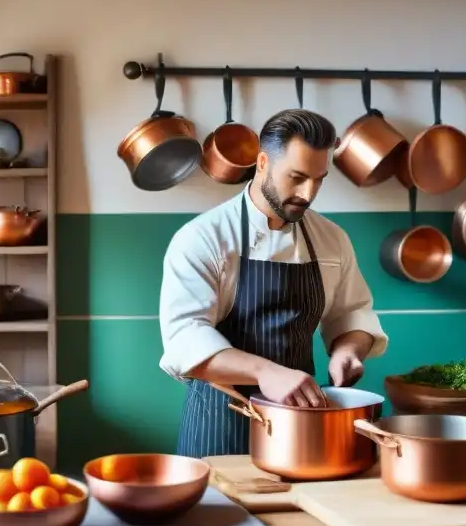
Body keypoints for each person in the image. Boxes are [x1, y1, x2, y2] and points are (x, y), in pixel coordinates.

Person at [158, 108, 388, 458]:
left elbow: (352, 312)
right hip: (220, 426)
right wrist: (265, 372)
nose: (308, 193)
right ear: (263, 162)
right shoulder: (203, 238)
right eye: (296, 177)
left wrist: (348, 349)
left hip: (299, 426)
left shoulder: (332, 239)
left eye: (319, 179)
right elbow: (184, 340)